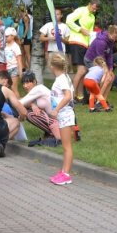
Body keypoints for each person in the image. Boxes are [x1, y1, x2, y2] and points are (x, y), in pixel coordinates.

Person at [73, 24, 117, 103]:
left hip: (101, 60)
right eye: (113, 37)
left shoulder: (111, 41)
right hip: (91, 60)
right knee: (104, 78)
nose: (114, 40)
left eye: (116, 38)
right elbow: (100, 59)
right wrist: (106, 71)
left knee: (111, 77)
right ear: (109, 33)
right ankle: (98, 100)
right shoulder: (101, 42)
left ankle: (103, 99)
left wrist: (111, 68)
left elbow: (109, 55)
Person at [48, 53, 75, 185]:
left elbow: (68, 96)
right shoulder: (62, 78)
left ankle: (67, 174)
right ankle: (63, 170)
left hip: (65, 114)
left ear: (52, 67)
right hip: (63, 114)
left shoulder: (62, 79)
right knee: (65, 146)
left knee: (66, 146)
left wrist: (56, 109)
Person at [20, 72, 56, 145]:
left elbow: (20, 103)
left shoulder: (38, 89)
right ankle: (50, 132)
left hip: (59, 119)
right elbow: (24, 101)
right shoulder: (35, 92)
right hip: (55, 117)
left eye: (28, 83)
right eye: (23, 84)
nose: (25, 86)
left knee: (29, 114)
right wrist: (32, 104)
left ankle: (52, 132)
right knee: (31, 111)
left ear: (34, 82)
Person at [66, 0, 100, 71]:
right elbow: (68, 20)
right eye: (93, 8)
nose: (94, 10)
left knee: (84, 71)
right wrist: (80, 29)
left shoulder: (92, 17)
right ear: (89, 4)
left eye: (96, 9)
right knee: (82, 70)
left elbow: (90, 32)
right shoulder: (81, 10)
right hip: (76, 41)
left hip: (85, 44)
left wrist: (91, 45)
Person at [1, 27, 24, 93]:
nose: (5, 38)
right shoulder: (5, 45)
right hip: (6, 68)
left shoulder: (15, 46)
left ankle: (18, 99)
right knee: (6, 87)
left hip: (14, 68)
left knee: (14, 88)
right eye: (5, 36)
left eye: (7, 36)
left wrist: (20, 72)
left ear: (13, 36)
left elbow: (19, 60)